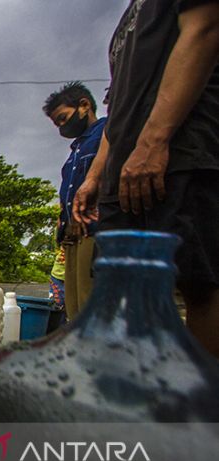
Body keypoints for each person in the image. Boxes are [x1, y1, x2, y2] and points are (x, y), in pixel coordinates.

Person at [73, 1, 219, 357]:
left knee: (200, 284)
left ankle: (199, 406)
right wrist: (95, 177)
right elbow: (117, 107)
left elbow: (204, 29)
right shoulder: (125, 24)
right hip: (122, 169)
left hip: (178, 150)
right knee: (122, 285)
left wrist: (155, 140)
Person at [43, 81, 107, 321]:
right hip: (73, 235)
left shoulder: (106, 134)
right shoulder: (76, 151)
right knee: (75, 307)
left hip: (95, 229)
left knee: (93, 305)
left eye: (63, 118)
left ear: (84, 105)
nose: (62, 127)